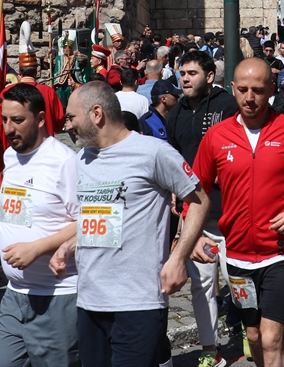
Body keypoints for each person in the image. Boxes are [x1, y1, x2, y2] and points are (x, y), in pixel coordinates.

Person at [55, 81, 211, 367]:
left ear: (97, 113)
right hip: (89, 302)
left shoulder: (153, 152)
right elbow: (104, 218)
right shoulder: (82, 159)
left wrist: (179, 257)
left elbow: (200, 201)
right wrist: (68, 246)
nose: (67, 125)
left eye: (71, 117)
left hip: (138, 302)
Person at [192, 58, 284, 367]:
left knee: (270, 337)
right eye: (243, 90)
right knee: (252, 336)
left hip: (283, 252)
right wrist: (193, 234)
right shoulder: (217, 136)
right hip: (237, 253)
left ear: (272, 89)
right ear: (232, 88)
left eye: (258, 90)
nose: (250, 98)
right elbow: (195, 190)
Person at [0, 82, 80, 367]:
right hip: (14, 295)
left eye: (17, 120)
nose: (8, 129)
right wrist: (4, 239)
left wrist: (37, 248)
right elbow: (22, 208)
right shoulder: (10, 156)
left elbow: (87, 221)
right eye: (4, 120)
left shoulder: (65, 162)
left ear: (40, 119)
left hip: (57, 295)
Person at [163, 49, 238, 367]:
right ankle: (211, 350)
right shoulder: (175, 114)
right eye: (182, 73)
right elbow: (173, 158)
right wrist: (174, 192)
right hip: (196, 215)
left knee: (238, 282)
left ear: (209, 76)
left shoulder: (228, 106)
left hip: (232, 212)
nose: (185, 79)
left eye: (191, 73)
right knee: (201, 285)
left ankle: (250, 332)